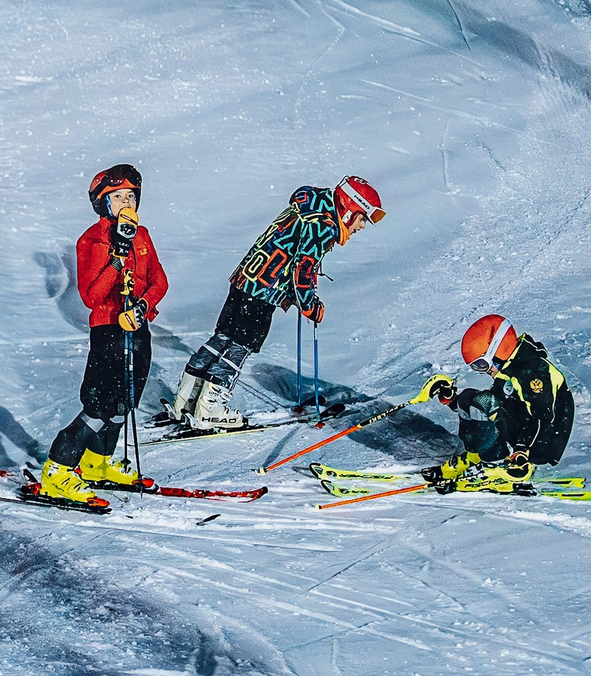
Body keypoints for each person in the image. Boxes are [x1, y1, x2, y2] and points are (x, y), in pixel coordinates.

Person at [164, 176, 383, 431]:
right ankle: (209, 409)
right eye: (362, 218)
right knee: (240, 346)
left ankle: (186, 401)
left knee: (223, 337)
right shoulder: (323, 225)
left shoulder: (312, 208)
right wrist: (309, 304)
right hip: (263, 288)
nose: (362, 227)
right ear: (348, 210)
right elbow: (303, 269)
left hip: (245, 278)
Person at [36, 164, 168, 505]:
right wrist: (116, 259)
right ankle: (58, 470)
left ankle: (97, 462)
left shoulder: (143, 236)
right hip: (108, 329)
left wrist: (143, 305)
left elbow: (159, 281)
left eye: (131, 196)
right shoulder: (92, 240)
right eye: (117, 196)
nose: (126, 202)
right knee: (99, 404)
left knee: (125, 403)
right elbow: (92, 297)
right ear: (102, 202)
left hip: (138, 328)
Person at [420, 314, 575, 494]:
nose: (482, 371)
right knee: (468, 397)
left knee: (483, 402)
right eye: (476, 367)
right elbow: (496, 403)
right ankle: (480, 456)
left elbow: (543, 418)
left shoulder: (533, 374)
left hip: (544, 441)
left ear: (498, 350)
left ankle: (496, 464)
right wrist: (450, 398)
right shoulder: (511, 367)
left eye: (481, 364)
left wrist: (522, 450)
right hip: (526, 430)